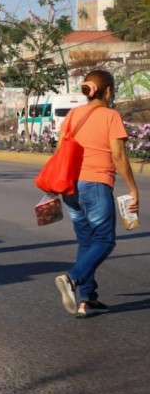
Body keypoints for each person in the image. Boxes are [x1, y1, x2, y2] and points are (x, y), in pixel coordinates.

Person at [54, 70, 140, 318]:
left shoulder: (72, 115)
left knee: (86, 242)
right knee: (104, 240)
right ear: (109, 91)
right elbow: (119, 156)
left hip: (70, 188)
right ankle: (72, 278)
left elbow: (60, 151)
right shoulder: (111, 116)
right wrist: (133, 188)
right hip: (96, 185)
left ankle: (87, 300)